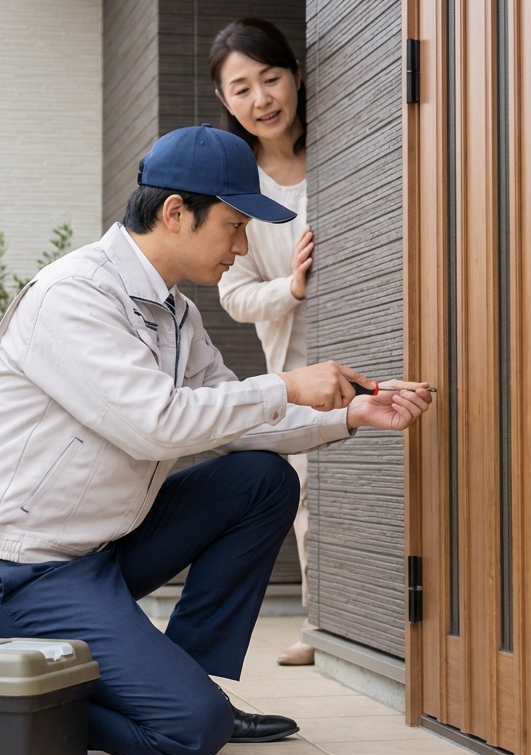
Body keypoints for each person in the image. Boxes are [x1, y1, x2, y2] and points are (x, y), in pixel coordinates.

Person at [0, 124, 431, 755]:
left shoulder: (176, 312)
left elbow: (233, 422)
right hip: (14, 570)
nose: (242, 244)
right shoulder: (74, 296)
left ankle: (188, 679)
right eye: (234, 224)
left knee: (262, 480)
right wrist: (285, 382)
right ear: (177, 214)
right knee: (190, 733)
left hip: (97, 551)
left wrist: (349, 416)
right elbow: (155, 424)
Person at [210, 18, 320, 666]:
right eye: (243, 87)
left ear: (296, 77)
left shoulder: (336, 145)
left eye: (271, 78)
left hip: (374, 326)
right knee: (310, 492)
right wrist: (292, 289)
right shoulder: (238, 185)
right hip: (298, 356)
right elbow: (234, 293)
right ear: (226, 102)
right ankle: (320, 619)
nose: (262, 99)